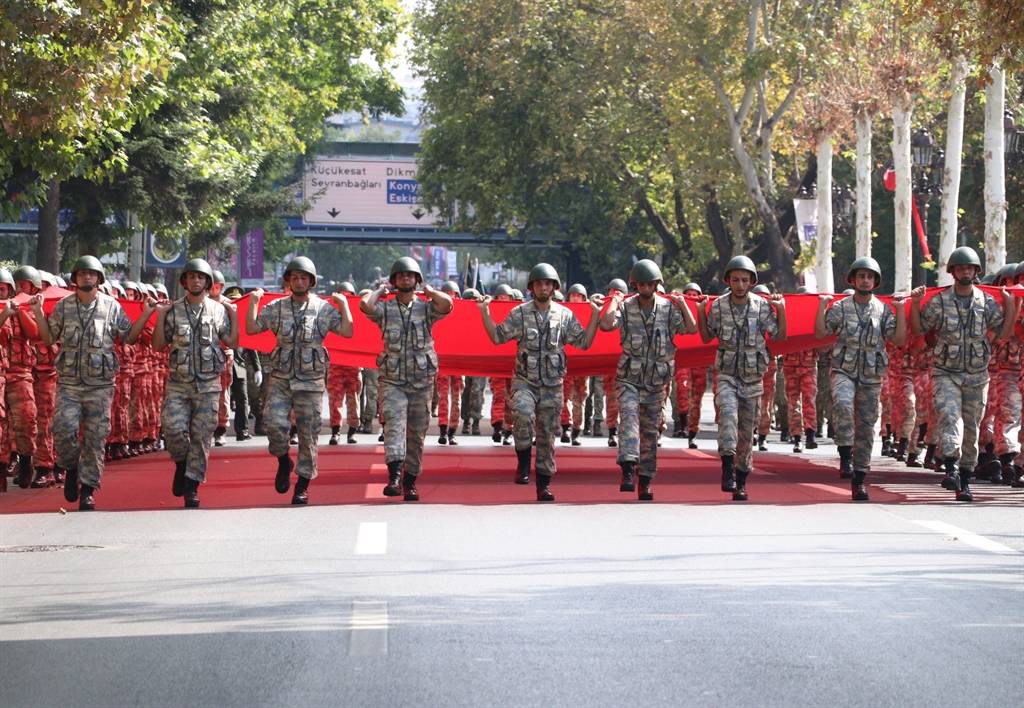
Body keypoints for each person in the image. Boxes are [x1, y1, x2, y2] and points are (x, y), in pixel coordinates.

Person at [29, 256, 151, 510]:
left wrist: (146, 315)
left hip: (100, 385)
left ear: (99, 278)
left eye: (91, 274)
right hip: (70, 383)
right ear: (75, 278)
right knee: (62, 430)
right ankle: (71, 467)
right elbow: (49, 336)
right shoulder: (64, 306)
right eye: (82, 274)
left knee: (96, 438)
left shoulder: (112, 307)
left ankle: (88, 488)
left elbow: (128, 337)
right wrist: (39, 314)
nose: (87, 277)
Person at [477, 263, 602, 501]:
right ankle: (523, 460)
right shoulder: (520, 313)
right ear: (531, 287)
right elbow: (496, 337)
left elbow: (584, 342)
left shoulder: (565, 315)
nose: (543, 287)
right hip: (525, 382)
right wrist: (484, 312)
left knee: (547, 436)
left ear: (554, 287)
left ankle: (543, 484)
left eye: (548, 283)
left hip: (553, 385)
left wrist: (595, 315)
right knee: (522, 416)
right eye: (539, 283)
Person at [910, 247, 1017, 501]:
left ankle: (965, 476)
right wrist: (915, 304)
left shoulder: (986, 302)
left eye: (969, 268)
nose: (965, 271)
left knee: (972, 427)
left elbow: (1002, 332)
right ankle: (951, 465)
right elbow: (919, 327)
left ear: (976, 272)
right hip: (946, 371)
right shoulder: (940, 301)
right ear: (953, 272)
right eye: (960, 268)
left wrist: (1012, 306)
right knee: (949, 416)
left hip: (977, 374)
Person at [248, 257, 353, 505]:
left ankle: (303, 485)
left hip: (310, 381)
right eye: (294, 277)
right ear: (288, 281)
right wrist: (253, 302)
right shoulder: (277, 307)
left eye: (303, 277)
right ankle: (284, 460)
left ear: (311, 281)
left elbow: (348, 332)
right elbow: (252, 328)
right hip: (281, 378)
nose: (298, 281)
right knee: (273, 423)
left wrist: (345, 305)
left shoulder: (323, 309)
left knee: (308, 436)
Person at [599, 259, 697, 500]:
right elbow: (606, 324)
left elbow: (692, 329)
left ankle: (646, 480)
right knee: (629, 420)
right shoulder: (626, 306)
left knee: (651, 431)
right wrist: (614, 300)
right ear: (635, 285)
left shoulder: (668, 308)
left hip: (656, 381)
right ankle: (628, 468)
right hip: (629, 378)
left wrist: (683, 304)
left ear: (656, 285)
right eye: (640, 284)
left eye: (649, 284)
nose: (644, 288)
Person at [815, 257, 907, 501]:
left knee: (866, 427)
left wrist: (899, 311)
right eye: (861, 276)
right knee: (843, 405)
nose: (865, 280)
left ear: (875, 281)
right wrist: (821, 307)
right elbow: (822, 333)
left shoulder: (883, 309)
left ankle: (860, 477)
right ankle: (845, 451)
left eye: (869, 277)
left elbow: (898, 340)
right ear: (853, 280)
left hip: (870, 376)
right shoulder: (840, 307)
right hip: (844, 370)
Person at [360, 257, 452, 501]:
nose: (405, 279)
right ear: (394, 281)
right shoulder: (386, 310)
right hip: (392, 380)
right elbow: (365, 306)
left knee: (416, 433)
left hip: (422, 381)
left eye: (410, 276)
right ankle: (394, 476)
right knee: (393, 426)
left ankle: (411, 480)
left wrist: (432, 292)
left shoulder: (426, 307)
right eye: (400, 276)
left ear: (417, 280)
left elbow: (448, 305)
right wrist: (379, 291)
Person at [150, 259, 239, 508]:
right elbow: (158, 345)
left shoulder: (218, 310)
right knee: (173, 430)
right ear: (184, 281)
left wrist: (234, 315)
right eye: (191, 277)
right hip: (179, 383)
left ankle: (192, 486)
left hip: (209, 384)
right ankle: (181, 463)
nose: (196, 281)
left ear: (208, 283)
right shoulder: (174, 310)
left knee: (201, 438)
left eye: (201, 277)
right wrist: (160, 317)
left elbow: (231, 342)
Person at [697, 256, 786, 501]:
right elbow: (706, 337)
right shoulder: (718, 306)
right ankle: (727, 468)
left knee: (747, 432)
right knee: (727, 417)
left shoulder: (762, 306)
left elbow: (779, 337)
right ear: (728, 281)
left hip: (753, 378)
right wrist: (700, 314)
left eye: (744, 280)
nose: (739, 284)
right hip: (727, 375)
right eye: (735, 280)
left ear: (751, 282)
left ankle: (741, 478)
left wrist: (782, 312)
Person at [326, 282, 361, 445]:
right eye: (342, 295)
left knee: (353, 399)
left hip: (353, 364)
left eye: (349, 295)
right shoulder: (329, 314)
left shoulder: (359, 315)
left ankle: (352, 431)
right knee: (335, 400)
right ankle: (336, 432)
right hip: (335, 364)